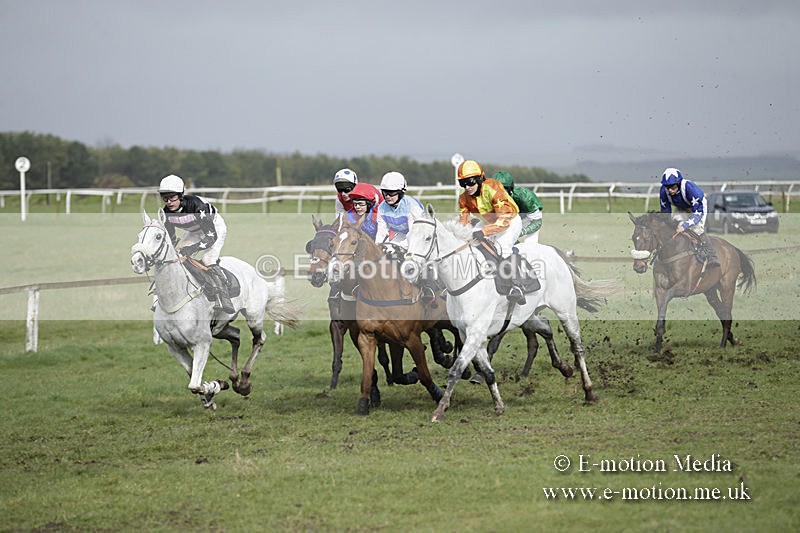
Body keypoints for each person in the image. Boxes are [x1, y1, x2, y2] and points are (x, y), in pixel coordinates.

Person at [158, 174, 235, 313]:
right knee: (177, 258)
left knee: (208, 259)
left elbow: (211, 236)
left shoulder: (197, 206)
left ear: (180, 195)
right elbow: (171, 238)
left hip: (214, 228)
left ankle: (223, 296)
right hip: (194, 231)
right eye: (165, 197)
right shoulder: (166, 213)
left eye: (172, 197)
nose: (169, 202)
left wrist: (193, 248)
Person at [457, 160, 528, 305]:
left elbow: (504, 219)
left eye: (470, 182)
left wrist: (484, 231)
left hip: (510, 219)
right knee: (468, 243)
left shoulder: (493, 187)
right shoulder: (463, 198)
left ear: (479, 179)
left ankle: (517, 286)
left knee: (503, 248)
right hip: (490, 221)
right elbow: (463, 224)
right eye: (462, 183)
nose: (467, 187)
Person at [659, 167, 719, 267]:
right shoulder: (663, 191)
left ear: (678, 183)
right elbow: (665, 213)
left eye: (673, 187)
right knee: (674, 227)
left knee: (697, 229)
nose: (670, 190)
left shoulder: (690, 188)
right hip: (681, 207)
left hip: (697, 208)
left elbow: (698, 213)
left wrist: (686, 225)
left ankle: (711, 255)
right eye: (667, 187)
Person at [375, 171, 425, 252]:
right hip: (403, 234)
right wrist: (378, 247)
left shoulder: (412, 207)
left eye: (391, 193)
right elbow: (381, 233)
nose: (387, 196)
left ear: (401, 192)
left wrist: (399, 248)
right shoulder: (381, 208)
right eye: (385, 192)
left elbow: (414, 234)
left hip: (421, 235)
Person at [492, 171, 544, 243]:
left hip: (528, 220)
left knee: (530, 246)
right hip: (508, 220)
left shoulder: (526, 197)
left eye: (502, 189)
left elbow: (537, 222)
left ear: (510, 188)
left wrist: (522, 231)